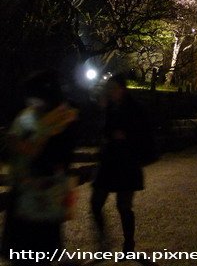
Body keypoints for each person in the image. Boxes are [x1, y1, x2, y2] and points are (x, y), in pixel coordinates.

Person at [2, 70, 78, 265]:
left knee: (37, 248)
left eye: (34, 95)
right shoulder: (31, 114)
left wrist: (25, 147)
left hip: (43, 194)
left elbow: (55, 155)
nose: (30, 101)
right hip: (24, 191)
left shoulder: (62, 118)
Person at [91, 74, 151, 253]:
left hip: (127, 163)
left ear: (122, 89)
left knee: (124, 206)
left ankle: (129, 244)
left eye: (114, 88)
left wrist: (126, 136)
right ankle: (103, 243)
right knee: (95, 203)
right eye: (109, 88)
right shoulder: (108, 107)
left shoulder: (135, 108)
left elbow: (144, 134)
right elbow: (102, 130)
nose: (111, 92)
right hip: (109, 163)